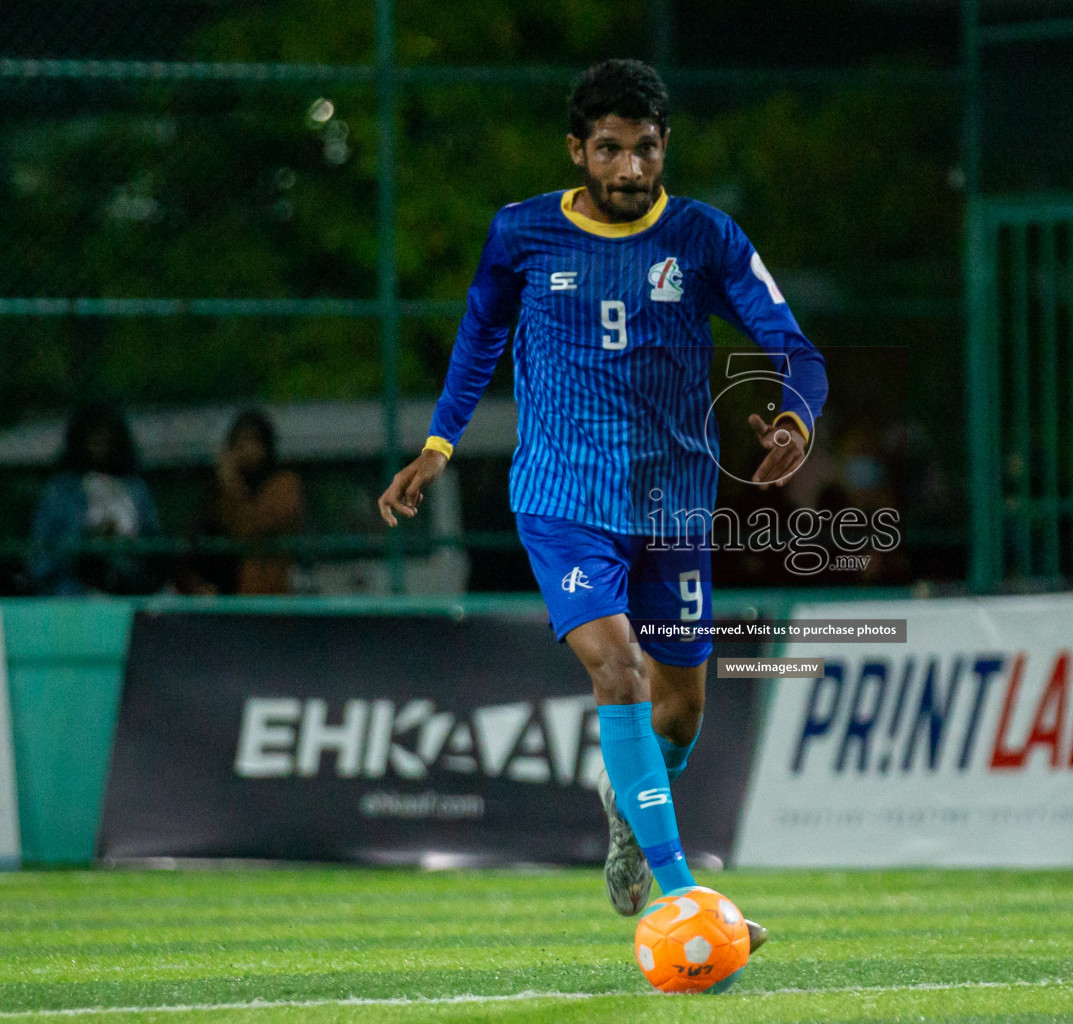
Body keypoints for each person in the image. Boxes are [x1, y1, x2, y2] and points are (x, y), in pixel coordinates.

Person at [377, 60, 826, 950]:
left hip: (673, 501)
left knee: (681, 710)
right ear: (578, 150)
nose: (629, 170)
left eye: (646, 150)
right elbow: (479, 335)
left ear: (665, 149)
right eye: (611, 150)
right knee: (616, 670)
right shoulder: (522, 235)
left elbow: (794, 346)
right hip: (562, 495)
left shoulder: (706, 238)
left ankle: (628, 811)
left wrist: (798, 420)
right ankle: (680, 894)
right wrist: (438, 443)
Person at [29, 402, 163, 595]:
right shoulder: (59, 491)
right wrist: (86, 540)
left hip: (128, 590)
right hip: (71, 595)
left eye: (105, 437)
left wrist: (124, 541)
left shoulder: (136, 489)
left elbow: (154, 546)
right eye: (92, 437)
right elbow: (40, 557)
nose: (99, 444)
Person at [191, 409, 305, 595]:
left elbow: (250, 531)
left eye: (251, 441)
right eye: (237, 442)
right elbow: (203, 534)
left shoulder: (284, 484)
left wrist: (232, 483)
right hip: (223, 597)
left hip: (264, 596)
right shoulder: (220, 489)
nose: (243, 450)